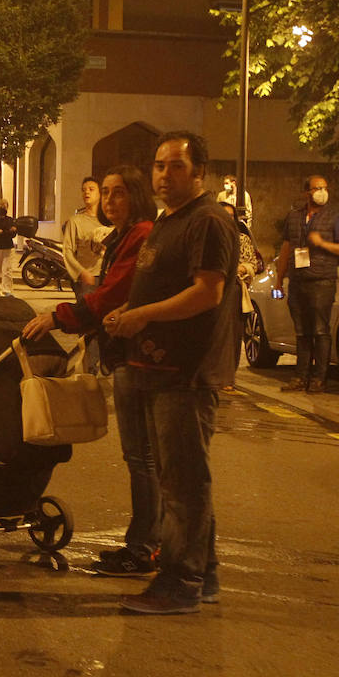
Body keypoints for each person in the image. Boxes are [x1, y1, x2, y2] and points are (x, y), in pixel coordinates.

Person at [103, 131, 238, 614]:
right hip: (157, 369)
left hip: (187, 371)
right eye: (159, 165)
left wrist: (144, 316)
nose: (164, 174)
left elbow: (208, 292)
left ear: (199, 171)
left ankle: (180, 581)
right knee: (181, 479)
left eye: (176, 166)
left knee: (183, 483)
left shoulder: (208, 221)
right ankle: (206, 574)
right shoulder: (168, 221)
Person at [23, 165, 158, 576]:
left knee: (145, 459)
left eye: (120, 193)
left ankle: (147, 547)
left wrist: (59, 317)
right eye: (108, 193)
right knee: (141, 457)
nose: (112, 201)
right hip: (126, 353)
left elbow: (113, 292)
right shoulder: (121, 236)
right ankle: (150, 543)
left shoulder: (142, 234)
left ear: (137, 195)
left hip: (142, 356)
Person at [273, 174, 339, 393]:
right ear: (306, 192)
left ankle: (319, 378)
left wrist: (322, 243)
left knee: (319, 330)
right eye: (317, 188)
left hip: (322, 280)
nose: (322, 192)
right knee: (301, 331)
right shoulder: (294, 217)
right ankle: (300, 377)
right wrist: (279, 279)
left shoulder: (335, 217)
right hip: (298, 281)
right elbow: (286, 248)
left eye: (325, 188)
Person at [218, 200, 263, 389]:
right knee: (216, 334)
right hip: (212, 289)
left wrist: (242, 269)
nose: (227, 220)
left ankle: (228, 377)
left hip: (234, 289)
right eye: (223, 216)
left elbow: (253, 263)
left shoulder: (242, 239)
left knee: (233, 334)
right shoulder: (207, 237)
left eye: (230, 216)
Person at [62, 176, 105, 300]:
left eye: (91, 189)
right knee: (86, 314)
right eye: (84, 190)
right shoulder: (75, 221)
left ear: (100, 193)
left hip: (106, 278)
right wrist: (81, 272)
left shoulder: (108, 220)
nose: (87, 192)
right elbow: (67, 251)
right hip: (87, 280)